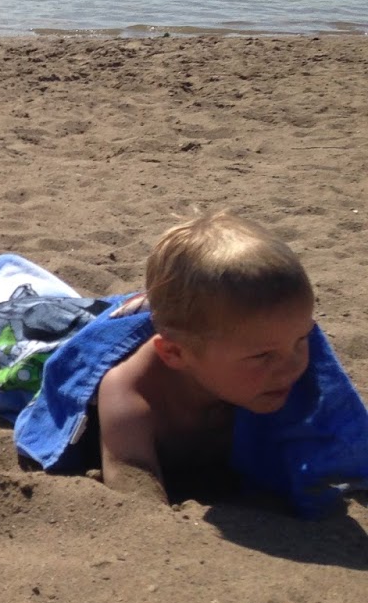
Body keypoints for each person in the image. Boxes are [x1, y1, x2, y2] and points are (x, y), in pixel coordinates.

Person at [94, 211, 315, 505]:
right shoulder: (131, 396)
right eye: (263, 356)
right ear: (175, 353)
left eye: (302, 340)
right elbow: (133, 483)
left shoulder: (265, 358)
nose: (293, 367)